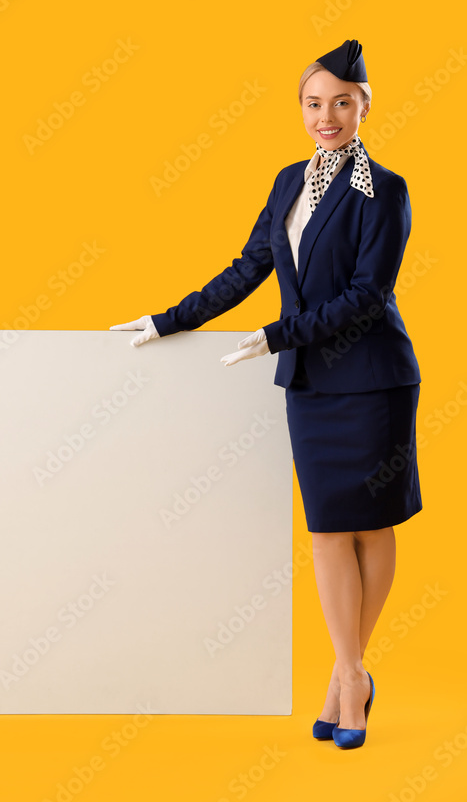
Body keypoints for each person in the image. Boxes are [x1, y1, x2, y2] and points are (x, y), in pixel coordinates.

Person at [110, 39, 422, 749]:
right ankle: (354, 674)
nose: (326, 116)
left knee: (370, 527)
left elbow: (367, 295)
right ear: (302, 110)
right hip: (312, 386)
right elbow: (247, 266)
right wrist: (169, 319)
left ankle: (344, 681)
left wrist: (280, 334)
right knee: (324, 533)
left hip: (372, 379)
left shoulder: (386, 190)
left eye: (341, 102)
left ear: (363, 106)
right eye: (313, 103)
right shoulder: (287, 182)